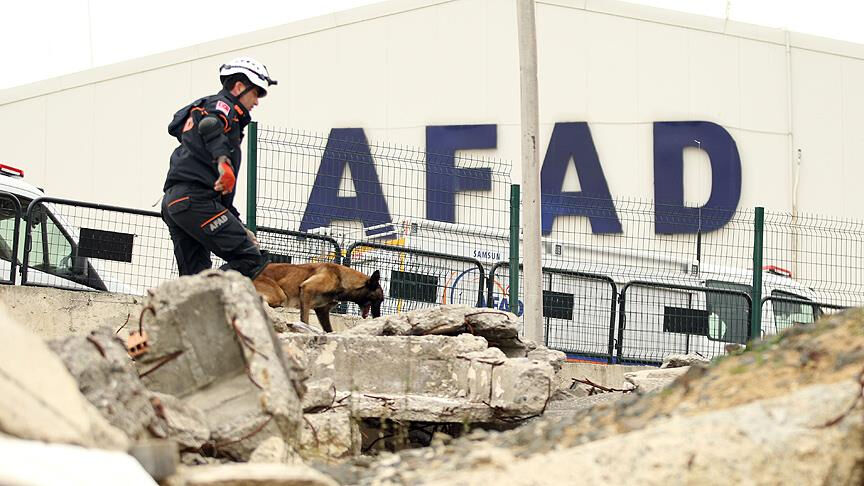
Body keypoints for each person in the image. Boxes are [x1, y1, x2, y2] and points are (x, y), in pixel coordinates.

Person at [161, 57, 277, 279]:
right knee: (250, 258)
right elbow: (211, 124)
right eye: (256, 93)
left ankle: (190, 305)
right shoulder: (222, 106)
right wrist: (224, 162)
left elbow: (221, 196)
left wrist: (240, 227)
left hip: (176, 203)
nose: (258, 101)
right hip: (195, 201)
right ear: (239, 87)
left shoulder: (209, 111)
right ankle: (209, 293)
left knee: (194, 277)